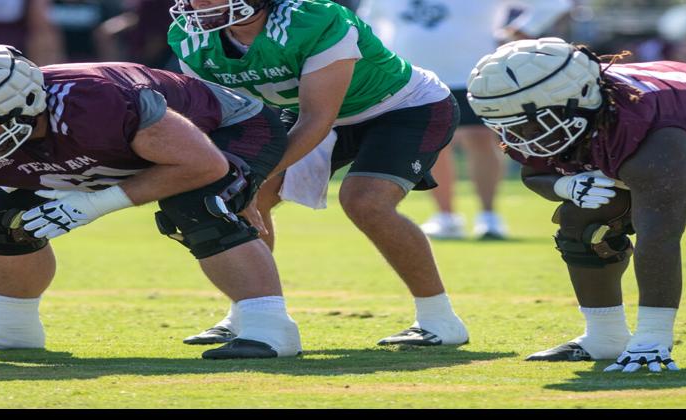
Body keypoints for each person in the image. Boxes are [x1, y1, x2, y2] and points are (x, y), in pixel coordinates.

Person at [0, 42, 303, 358]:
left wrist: (91, 205)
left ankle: (268, 326)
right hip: (114, 153)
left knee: (197, 207)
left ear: (27, 102)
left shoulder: (93, 102)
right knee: (1, 220)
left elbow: (203, 165)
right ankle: (11, 326)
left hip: (224, 132)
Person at [168, 0, 469, 348]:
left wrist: (252, 176)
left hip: (401, 107)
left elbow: (317, 119)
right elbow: (219, 116)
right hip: (301, 113)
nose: (198, 2)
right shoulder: (190, 38)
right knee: (242, 197)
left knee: (365, 201)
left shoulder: (314, 20)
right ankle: (252, 315)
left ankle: (439, 319)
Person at [466, 37, 686, 372]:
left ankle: (650, 337)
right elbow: (535, 173)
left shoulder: (649, 128)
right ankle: (605, 336)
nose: (519, 135)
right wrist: (566, 184)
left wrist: (653, 336)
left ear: (580, 100)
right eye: (508, 123)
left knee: (653, 224)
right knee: (583, 216)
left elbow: (659, 236)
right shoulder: (567, 109)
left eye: (529, 121)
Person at [361, 0, 571, 241]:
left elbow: (554, 4)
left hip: (476, 75)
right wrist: (383, 57)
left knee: (480, 140)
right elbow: (369, 23)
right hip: (413, 79)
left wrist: (521, 32)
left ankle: (489, 218)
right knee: (431, 146)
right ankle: (446, 217)